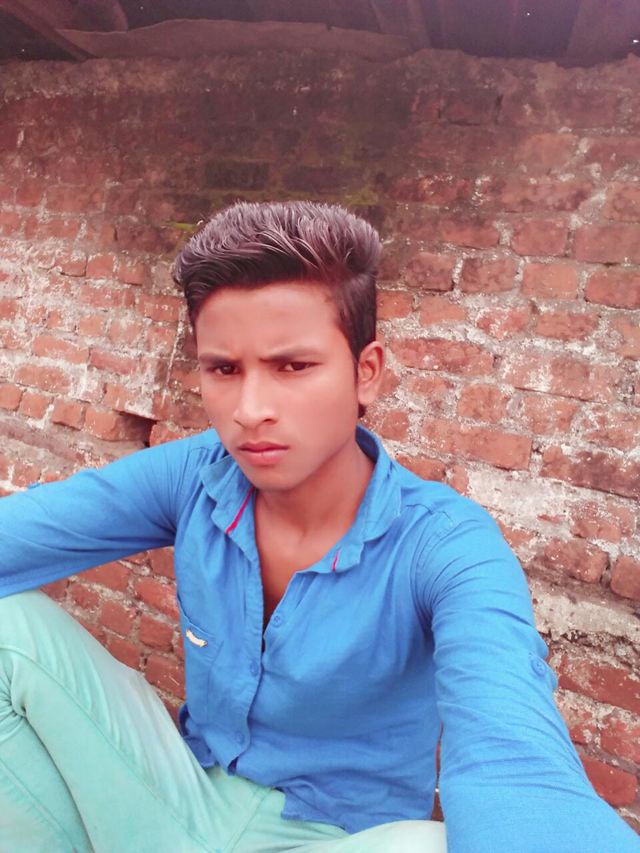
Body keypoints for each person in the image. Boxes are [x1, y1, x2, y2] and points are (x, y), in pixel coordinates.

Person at [0, 201, 637, 853]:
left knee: (425, 847)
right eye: (224, 369)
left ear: (367, 373)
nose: (250, 410)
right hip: (179, 791)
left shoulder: (445, 546)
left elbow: (516, 760)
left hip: (332, 836)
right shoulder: (196, 475)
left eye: (293, 366)